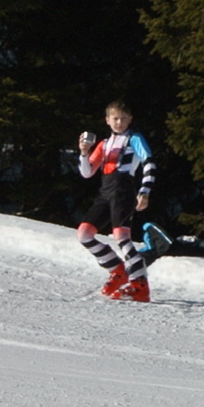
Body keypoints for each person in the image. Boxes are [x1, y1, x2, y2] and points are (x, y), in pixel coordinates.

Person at [76, 100, 158, 302]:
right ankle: (118, 271)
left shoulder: (134, 139)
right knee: (84, 234)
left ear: (130, 120)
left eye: (123, 119)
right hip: (106, 191)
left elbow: (149, 163)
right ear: (107, 120)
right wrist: (84, 153)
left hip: (123, 190)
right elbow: (87, 173)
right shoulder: (104, 144)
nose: (119, 123)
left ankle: (140, 285)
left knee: (121, 237)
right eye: (115, 119)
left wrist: (145, 191)